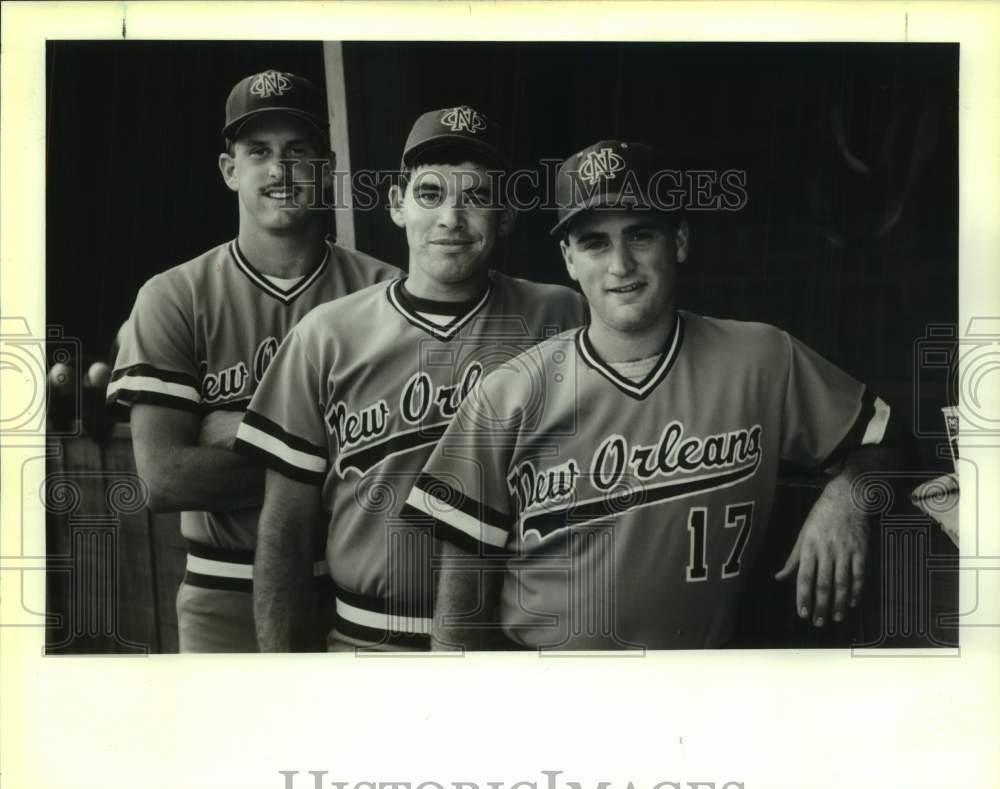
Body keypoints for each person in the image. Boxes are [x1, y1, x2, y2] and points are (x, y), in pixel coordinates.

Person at [405, 139, 908, 650]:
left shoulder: (763, 358)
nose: (620, 265)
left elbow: (891, 441)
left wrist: (848, 496)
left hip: (696, 694)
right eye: (595, 243)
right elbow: (460, 605)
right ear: (568, 259)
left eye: (641, 234)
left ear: (680, 240)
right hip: (550, 695)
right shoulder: (508, 395)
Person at [234, 106, 587, 652]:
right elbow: (285, 530)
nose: (451, 216)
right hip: (365, 640)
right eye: (429, 194)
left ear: (507, 215)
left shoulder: (559, 318)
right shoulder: (327, 335)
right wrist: (281, 673)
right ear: (397, 205)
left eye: (475, 196)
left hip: (514, 641)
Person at [107, 70, 400, 652]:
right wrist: (325, 449)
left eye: (298, 152)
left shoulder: (385, 292)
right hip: (224, 594)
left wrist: (235, 433)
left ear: (326, 167)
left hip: (358, 597)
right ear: (229, 169)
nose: (280, 170)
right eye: (259, 151)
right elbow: (163, 477)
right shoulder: (174, 295)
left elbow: (398, 469)